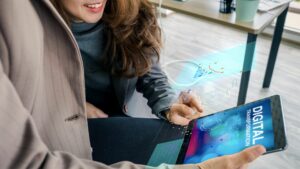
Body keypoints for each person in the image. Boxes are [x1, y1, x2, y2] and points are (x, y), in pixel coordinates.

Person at [0, 0, 266, 168]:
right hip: (64, 131)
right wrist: (76, 103)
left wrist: (167, 103)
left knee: (189, 139)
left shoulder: (129, 8)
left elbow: (146, 67)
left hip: (114, 117)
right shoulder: (25, 27)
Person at [50, 0, 204, 126]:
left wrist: (168, 105)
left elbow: (149, 73)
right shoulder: (37, 34)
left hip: (125, 120)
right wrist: (74, 106)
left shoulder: (135, 11)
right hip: (70, 130)